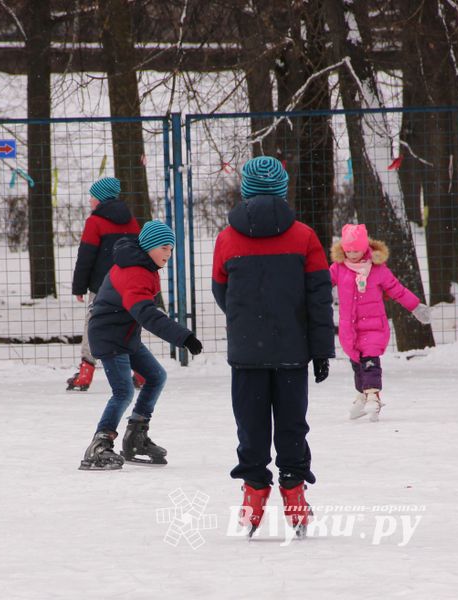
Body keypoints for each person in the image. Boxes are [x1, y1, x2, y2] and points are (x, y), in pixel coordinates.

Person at [211, 156, 334, 537]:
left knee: (251, 425)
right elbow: (318, 298)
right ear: (282, 189)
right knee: (292, 424)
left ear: (245, 189)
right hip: (292, 350)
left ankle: (253, 492)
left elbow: (221, 290)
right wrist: (320, 350)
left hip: (247, 352)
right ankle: (294, 492)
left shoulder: (227, 238)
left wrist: (247, 321)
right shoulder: (304, 237)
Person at [79, 220, 203, 471]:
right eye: (164, 248)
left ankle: (135, 438)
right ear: (149, 246)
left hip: (125, 336)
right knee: (123, 391)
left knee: (156, 376)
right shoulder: (134, 273)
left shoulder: (144, 267)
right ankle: (99, 445)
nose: (169, 253)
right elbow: (146, 313)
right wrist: (183, 337)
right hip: (108, 336)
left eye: (171, 249)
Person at [330, 223, 430, 422]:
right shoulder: (338, 269)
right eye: (348, 251)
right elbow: (320, 283)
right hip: (350, 328)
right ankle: (362, 395)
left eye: (356, 250)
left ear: (364, 247)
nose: (352, 255)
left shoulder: (377, 269)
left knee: (370, 362)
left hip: (373, 327)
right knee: (356, 362)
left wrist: (415, 306)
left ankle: (373, 396)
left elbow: (397, 290)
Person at [67, 177, 140, 391]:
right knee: (129, 324)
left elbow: (86, 256)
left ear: (100, 198)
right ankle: (141, 372)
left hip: (101, 287)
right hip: (129, 284)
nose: (90, 200)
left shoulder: (95, 222)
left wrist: (79, 287)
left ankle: (86, 371)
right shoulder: (131, 221)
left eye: (92, 196)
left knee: (93, 324)